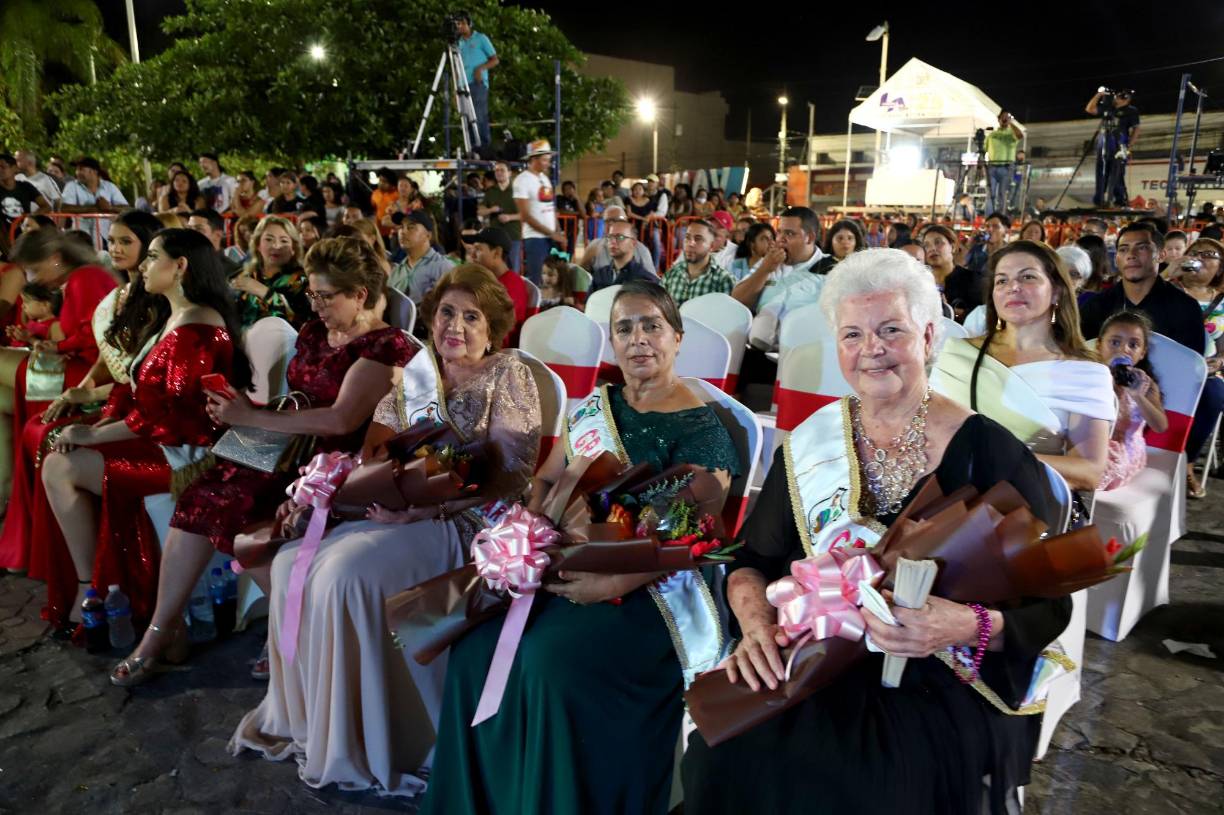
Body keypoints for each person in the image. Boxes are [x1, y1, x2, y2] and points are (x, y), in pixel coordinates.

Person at [682, 249, 1067, 815]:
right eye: (852, 334)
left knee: (873, 780)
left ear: (928, 335)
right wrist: (757, 628)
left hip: (933, 667)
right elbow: (752, 561)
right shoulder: (812, 444)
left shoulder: (990, 450)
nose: (872, 349)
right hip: (810, 653)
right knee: (722, 756)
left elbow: (1050, 603)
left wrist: (963, 623)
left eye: (891, 329)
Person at [422, 280, 740, 815]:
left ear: (677, 338)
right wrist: (530, 532)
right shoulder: (598, 405)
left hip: (650, 585)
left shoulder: (701, 426)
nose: (638, 339)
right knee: (474, 645)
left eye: (652, 325)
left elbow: (692, 532)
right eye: (624, 328)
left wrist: (613, 580)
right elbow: (547, 478)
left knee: (549, 661)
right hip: (569, 558)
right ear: (612, 343)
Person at [231, 263, 540, 795]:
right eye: (446, 312)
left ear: (492, 329)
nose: (455, 326)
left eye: (471, 317)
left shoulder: (508, 373)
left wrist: (427, 512)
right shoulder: (418, 375)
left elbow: (514, 477)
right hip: (397, 512)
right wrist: (328, 495)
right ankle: (315, 725)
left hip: (468, 522)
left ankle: (384, 737)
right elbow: (377, 455)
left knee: (345, 576)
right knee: (289, 563)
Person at [110, 236, 416, 685]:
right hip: (285, 444)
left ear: (360, 295)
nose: (315, 306)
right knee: (198, 497)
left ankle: (292, 629)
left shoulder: (382, 347)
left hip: (338, 462)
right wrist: (244, 411)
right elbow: (300, 398)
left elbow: (340, 419)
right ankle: (161, 630)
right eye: (311, 294)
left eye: (325, 296)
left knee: (236, 513)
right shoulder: (316, 332)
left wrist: (250, 416)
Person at [42, 229, 249, 632]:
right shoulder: (174, 316)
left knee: (60, 466)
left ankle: (92, 589)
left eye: (152, 256)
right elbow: (140, 391)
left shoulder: (197, 327)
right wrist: (102, 418)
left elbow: (171, 417)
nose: (142, 266)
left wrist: (93, 436)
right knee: (57, 453)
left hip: (186, 456)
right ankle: (96, 586)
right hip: (164, 441)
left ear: (180, 266)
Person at [0, 211, 163, 616]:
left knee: (51, 437)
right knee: (45, 435)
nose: (116, 249)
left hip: (157, 426)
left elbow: (150, 388)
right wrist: (83, 391)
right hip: (118, 399)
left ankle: (93, 583)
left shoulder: (164, 305)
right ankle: (80, 579)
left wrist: (91, 406)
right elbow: (110, 358)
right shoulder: (123, 296)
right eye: (112, 241)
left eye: (126, 241)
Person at [931, 240, 1114, 492]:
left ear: (1057, 291)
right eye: (1002, 281)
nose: (1013, 287)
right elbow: (925, 434)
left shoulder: (1085, 373)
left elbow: (1089, 471)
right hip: (943, 499)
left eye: (1028, 277)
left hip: (1026, 506)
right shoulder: (957, 354)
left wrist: (994, 462)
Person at [0, 231, 117, 514]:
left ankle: (11, 493)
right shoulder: (81, 278)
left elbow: (93, 337)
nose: (32, 279)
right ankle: (9, 492)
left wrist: (57, 346)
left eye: (35, 270)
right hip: (77, 365)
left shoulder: (84, 278)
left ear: (54, 259)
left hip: (85, 374)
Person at [1080, 222, 1204, 354]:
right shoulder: (1096, 306)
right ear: (1116, 259)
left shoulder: (1185, 307)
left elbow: (1190, 363)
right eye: (1123, 249)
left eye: (1142, 248)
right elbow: (1083, 357)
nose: (1131, 255)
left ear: (1161, 255)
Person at [1169, 237, 1224, 496]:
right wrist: (1168, 274)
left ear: (1221, 267)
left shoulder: (1221, 301)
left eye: (1209, 254)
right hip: (1169, 364)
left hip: (1206, 370)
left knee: (1214, 395)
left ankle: (1187, 462)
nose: (1200, 257)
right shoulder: (1167, 291)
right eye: (1195, 252)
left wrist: (1219, 361)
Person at [1097, 311, 1168, 490]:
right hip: (1091, 444)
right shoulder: (1091, 377)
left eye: (1133, 345)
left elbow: (1160, 426)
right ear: (1099, 345)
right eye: (1115, 342)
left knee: (1089, 471)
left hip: (1122, 454)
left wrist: (1137, 396)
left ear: (1142, 353)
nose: (1124, 349)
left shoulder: (1145, 384)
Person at [731, 206, 824, 313]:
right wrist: (764, 270)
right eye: (779, 232)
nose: (780, 239)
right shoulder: (770, 261)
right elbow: (736, 301)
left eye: (789, 234)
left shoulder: (829, 269)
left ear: (810, 238)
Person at [231, 216, 311, 329]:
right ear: (258, 245)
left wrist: (265, 292)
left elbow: (301, 321)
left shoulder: (303, 280)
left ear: (293, 248)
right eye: (269, 239)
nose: (276, 246)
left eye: (283, 241)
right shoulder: (244, 275)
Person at [513, 140, 564, 285]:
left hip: (550, 237)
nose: (548, 163)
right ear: (534, 159)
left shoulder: (544, 178)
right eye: (545, 159)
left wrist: (558, 231)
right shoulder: (522, 180)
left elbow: (550, 207)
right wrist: (552, 233)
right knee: (537, 279)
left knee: (556, 278)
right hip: (535, 238)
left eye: (548, 159)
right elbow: (525, 215)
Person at [1085, 88, 1140, 208]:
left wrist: (1129, 145)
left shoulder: (1131, 111)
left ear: (1126, 99)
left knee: (1117, 172)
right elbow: (1090, 109)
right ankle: (1099, 200)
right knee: (1101, 172)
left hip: (1119, 144)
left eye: (1119, 96)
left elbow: (1136, 129)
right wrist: (1099, 95)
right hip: (1103, 143)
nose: (1116, 98)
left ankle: (1118, 200)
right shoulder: (1108, 107)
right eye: (1116, 95)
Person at [922, 224, 987, 322]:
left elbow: (983, 316)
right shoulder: (921, 281)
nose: (932, 248)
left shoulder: (972, 280)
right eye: (926, 245)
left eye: (938, 242)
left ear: (952, 247)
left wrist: (954, 313)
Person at [661, 220, 734, 306]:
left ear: (711, 246)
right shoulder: (671, 274)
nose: (690, 243)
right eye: (687, 237)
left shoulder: (724, 280)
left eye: (698, 239)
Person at [388, 210, 453, 302]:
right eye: (401, 227)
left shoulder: (442, 267)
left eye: (411, 227)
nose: (403, 232)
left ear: (428, 235)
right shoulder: (396, 272)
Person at [456, 12, 498, 150]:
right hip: (462, 85)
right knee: (467, 119)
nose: (460, 26)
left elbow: (495, 60)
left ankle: (484, 148)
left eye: (463, 23)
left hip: (477, 84)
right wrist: (454, 90)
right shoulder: (458, 43)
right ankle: (472, 149)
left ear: (469, 24)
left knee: (479, 116)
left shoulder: (480, 38)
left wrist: (480, 69)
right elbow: (456, 67)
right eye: (457, 24)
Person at [470, 226, 528, 324]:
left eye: (478, 249)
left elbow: (499, 329)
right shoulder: (490, 280)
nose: (472, 255)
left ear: (497, 252)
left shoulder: (512, 285)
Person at [580, 205, 656, 276]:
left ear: (626, 222)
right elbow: (581, 277)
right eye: (607, 221)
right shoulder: (594, 247)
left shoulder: (641, 250)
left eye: (617, 220)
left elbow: (651, 281)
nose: (611, 224)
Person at [589, 216, 658, 293]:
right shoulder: (600, 275)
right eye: (610, 237)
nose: (613, 241)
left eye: (620, 237)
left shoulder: (644, 279)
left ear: (633, 243)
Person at [0, 153, 51, 252]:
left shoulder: (25, 187)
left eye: (3, 167)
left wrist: (30, 216)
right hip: (4, 236)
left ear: (14, 168)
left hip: (24, 233)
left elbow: (46, 206)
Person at [477, 162, 522, 271]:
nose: (499, 172)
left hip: (513, 236)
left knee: (513, 269)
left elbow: (526, 214)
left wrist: (509, 217)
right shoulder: (490, 191)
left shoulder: (518, 190)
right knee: (495, 269)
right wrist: (491, 210)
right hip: (495, 238)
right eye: (496, 170)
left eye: (502, 170)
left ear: (509, 173)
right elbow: (480, 211)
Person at [985, 110, 1023, 216]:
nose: (1005, 119)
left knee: (1003, 194)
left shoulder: (1012, 133)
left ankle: (1001, 217)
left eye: (1007, 117)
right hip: (992, 166)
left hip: (1007, 167)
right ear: (999, 119)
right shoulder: (992, 135)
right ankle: (989, 217)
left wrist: (1011, 123)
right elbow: (984, 149)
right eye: (1003, 117)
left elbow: (1020, 135)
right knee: (990, 194)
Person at [186, 208, 240, 276]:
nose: (190, 234)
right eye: (189, 229)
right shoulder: (183, 264)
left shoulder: (233, 272)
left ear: (217, 235)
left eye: (199, 229)